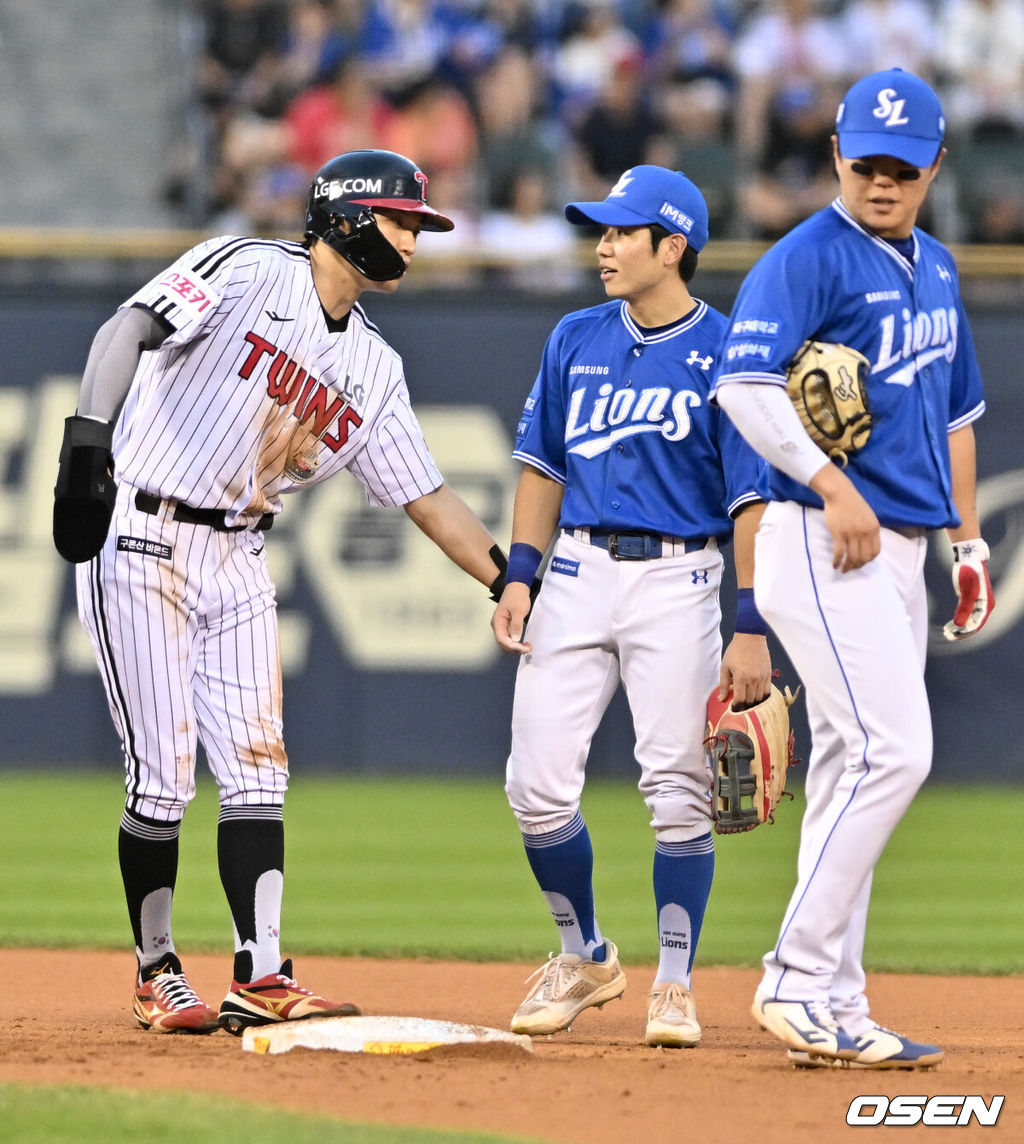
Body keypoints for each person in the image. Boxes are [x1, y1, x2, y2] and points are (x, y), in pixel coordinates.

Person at [52, 149, 509, 1036]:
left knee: (260, 769)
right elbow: (126, 329)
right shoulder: (248, 268)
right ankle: (156, 970)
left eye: (418, 225)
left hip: (240, 555)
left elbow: (427, 496)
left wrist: (507, 576)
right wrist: (85, 442)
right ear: (342, 216)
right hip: (144, 532)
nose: (414, 238)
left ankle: (260, 973)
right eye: (400, 219)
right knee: (162, 777)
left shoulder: (374, 368)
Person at [711, 68, 994, 1069]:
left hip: (904, 546)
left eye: (901, 168)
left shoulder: (937, 266)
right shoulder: (807, 259)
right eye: (864, 163)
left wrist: (965, 543)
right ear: (835, 155)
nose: (881, 182)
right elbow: (741, 386)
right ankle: (792, 977)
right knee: (894, 751)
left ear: (934, 167)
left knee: (846, 767)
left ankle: (836, 1002)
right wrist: (830, 483)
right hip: (823, 539)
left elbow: (957, 415)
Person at [491, 165, 771, 1048]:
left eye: (621, 232)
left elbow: (752, 501)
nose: (603, 246)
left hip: (681, 579)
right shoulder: (575, 335)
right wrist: (520, 573)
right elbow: (542, 465)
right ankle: (585, 955)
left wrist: (752, 618)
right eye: (600, 232)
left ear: (673, 246)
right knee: (534, 785)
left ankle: (676, 982)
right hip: (574, 570)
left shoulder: (730, 351)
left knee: (679, 789)